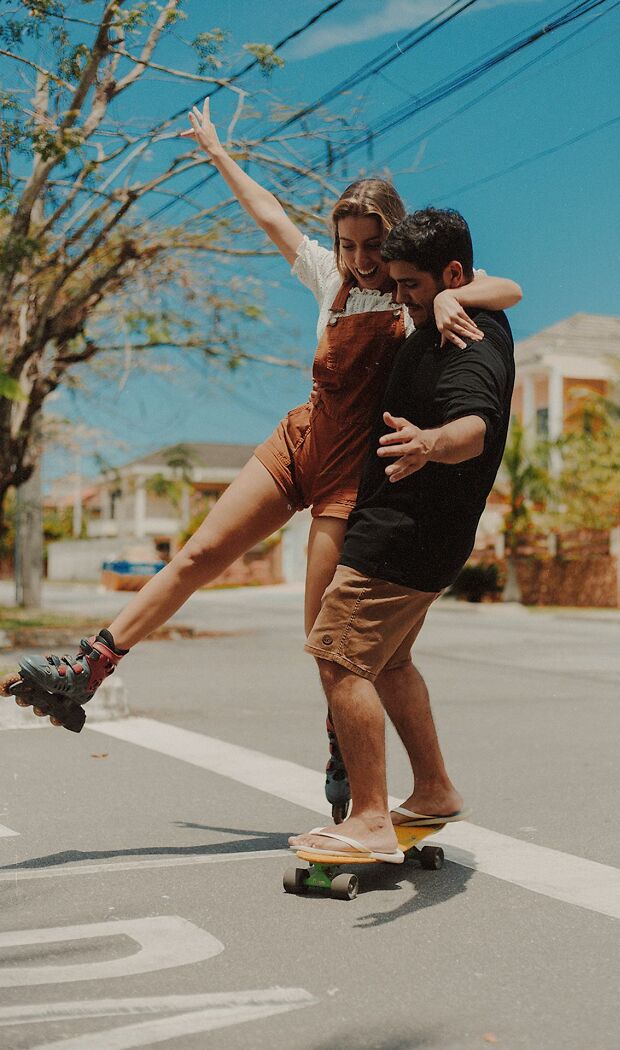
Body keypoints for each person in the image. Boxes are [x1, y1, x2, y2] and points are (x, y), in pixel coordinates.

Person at [2, 103, 520, 800]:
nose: (361, 261)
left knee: (325, 637)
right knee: (195, 555)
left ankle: (345, 756)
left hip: (350, 474)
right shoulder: (329, 280)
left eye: (373, 246)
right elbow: (272, 216)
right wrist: (217, 154)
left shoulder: (410, 300)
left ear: (395, 248)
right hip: (299, 439)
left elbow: (508, 288)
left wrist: (464, 296)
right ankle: (85, 673)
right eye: (348, 245)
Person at [289, 207, 515, 862]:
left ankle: (367, 819)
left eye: (410, 285)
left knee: (340, 655)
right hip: (419, 534)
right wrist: (445, 296)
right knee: (389, 662)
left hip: (404, 533)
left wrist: (428, 443)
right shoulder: (453, 307)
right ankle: (436, 790)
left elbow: (472, 428)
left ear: (449, 273)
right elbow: (505, 286)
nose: (400, 297)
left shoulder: (465, 336)